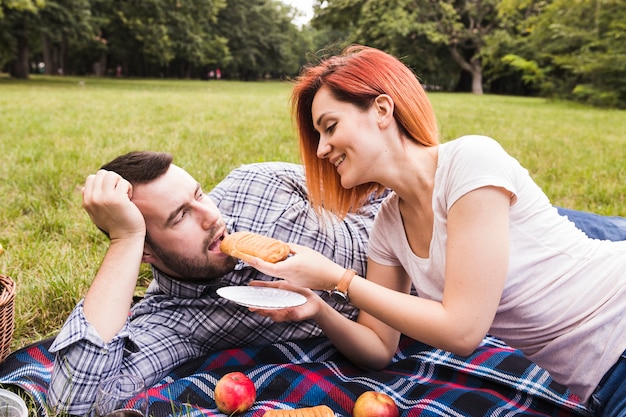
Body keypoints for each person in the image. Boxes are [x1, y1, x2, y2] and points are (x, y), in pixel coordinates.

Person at [243, 46, 626, 417]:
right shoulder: (389, 224)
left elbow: (462, 331)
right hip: (602, 383)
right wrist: (318, 306)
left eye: (330, 127)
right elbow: (378, 347)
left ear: (381, 109)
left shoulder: (472, 162)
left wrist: (338, 278)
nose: (323, 149)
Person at [46, 152, 387, 416]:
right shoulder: (177, 320)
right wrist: (124, 239)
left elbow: (371, 187)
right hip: (394, 321)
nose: (211, 215)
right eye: (181, 216)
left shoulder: (256, 184)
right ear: (145, 250)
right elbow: (74, 404)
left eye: (200, 194)